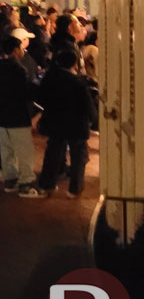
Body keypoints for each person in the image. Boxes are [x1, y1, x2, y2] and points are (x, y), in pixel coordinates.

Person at [0, 36, 45, 198]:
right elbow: (27, 92)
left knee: (7, 150)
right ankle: (26, 184)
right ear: (15, 50)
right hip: (18, 116)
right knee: (24, 151)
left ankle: (10, 180)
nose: (23, 51)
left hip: (2, 116)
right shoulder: (19, 70)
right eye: (21, 48)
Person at [37, 50, 95, 198]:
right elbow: (88, 105)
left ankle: (47, 184)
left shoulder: (50, 78)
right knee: (78, 156)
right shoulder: (78, 83)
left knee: (53, 153)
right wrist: (94, 119)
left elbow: (40, 97)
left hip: (55, 122)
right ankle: (75, 188)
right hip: (76, 124)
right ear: (74, 64)